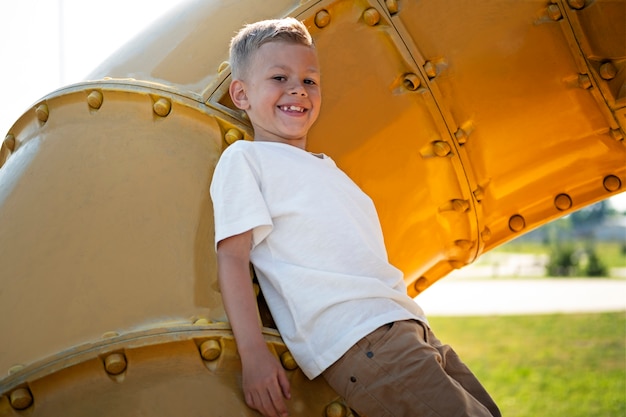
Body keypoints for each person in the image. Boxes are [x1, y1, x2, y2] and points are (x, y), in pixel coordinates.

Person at [210, 17, 501, 417]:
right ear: (241, 94)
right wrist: (253, 356)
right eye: (279, 77)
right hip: (360, 339)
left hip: (408, 326)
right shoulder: (245, 159)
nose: (297, 89)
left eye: (310, 81)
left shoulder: (328, 168)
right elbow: (232, 257)